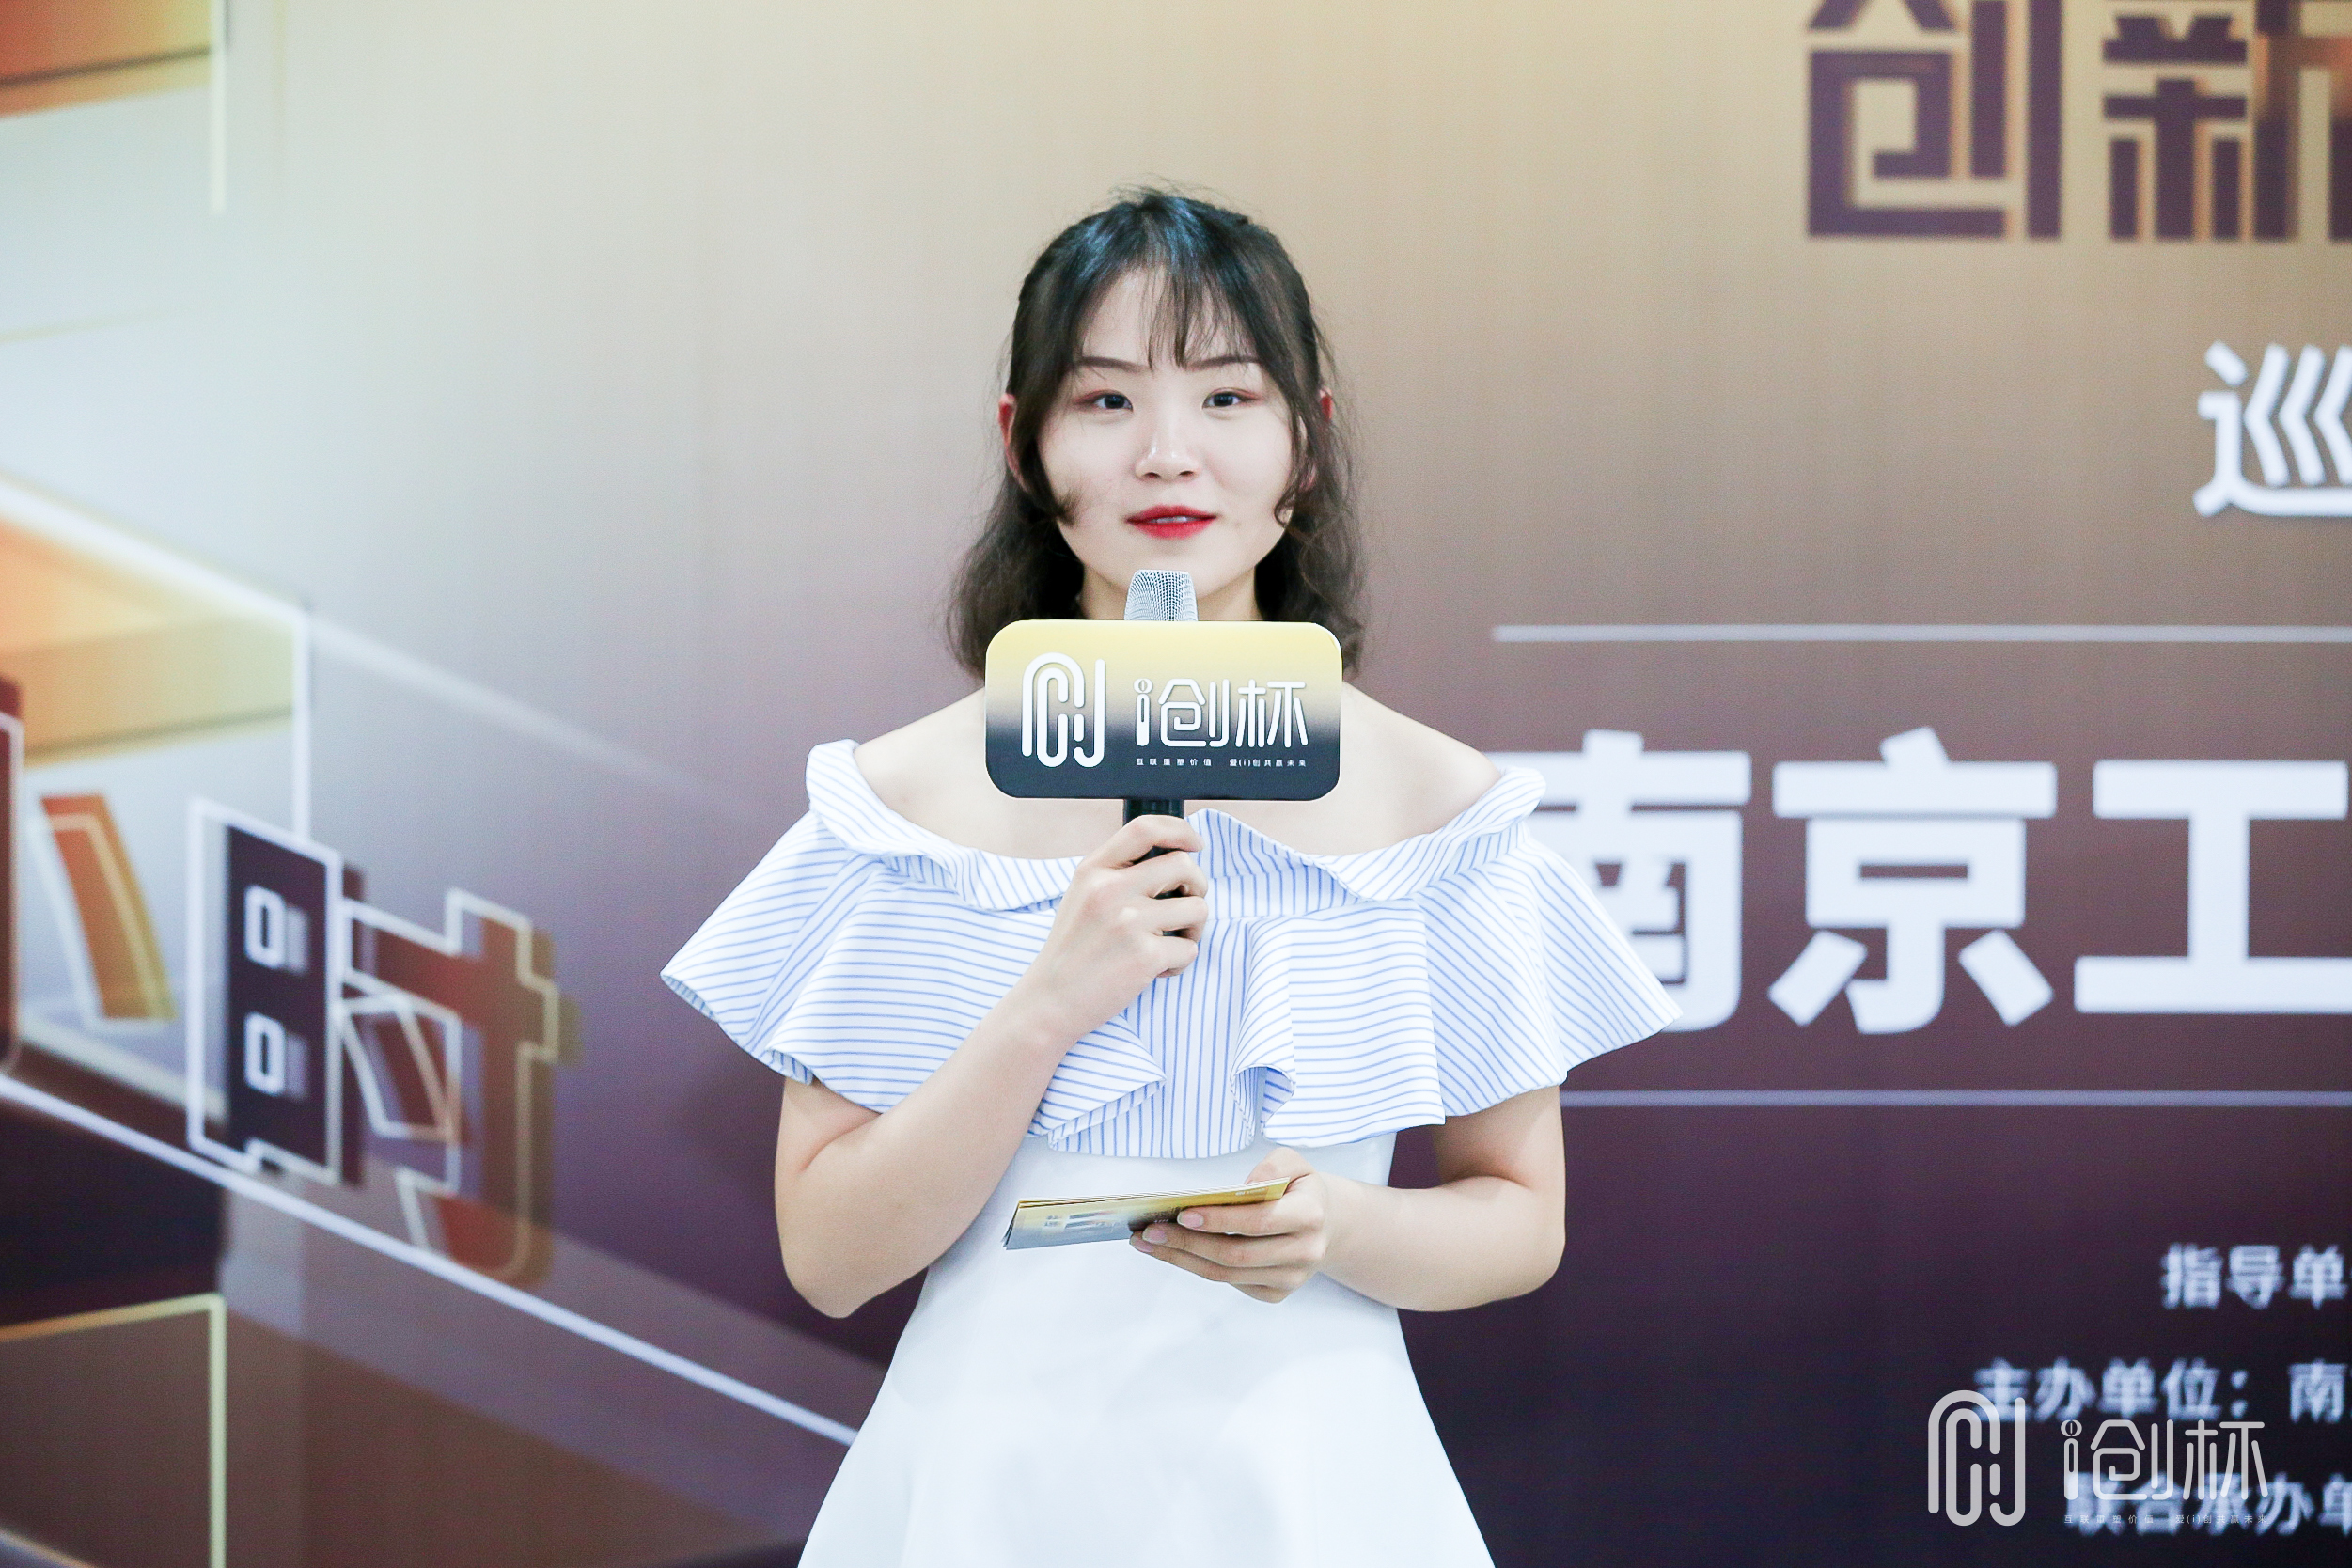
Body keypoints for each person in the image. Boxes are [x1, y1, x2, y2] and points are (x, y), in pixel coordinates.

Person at [663, 190, 1675, 1567]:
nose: (1166, 454)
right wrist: (1047, 1006)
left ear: (1304, 441)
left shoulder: (1438, 807)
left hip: (1316, 1494)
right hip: (983, 1494)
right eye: (1104, 401)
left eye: (1225, 397)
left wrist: (1338, 1226)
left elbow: (1518, 1220)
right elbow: (834, 1257)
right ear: (1023, 445)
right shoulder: (902, 804)